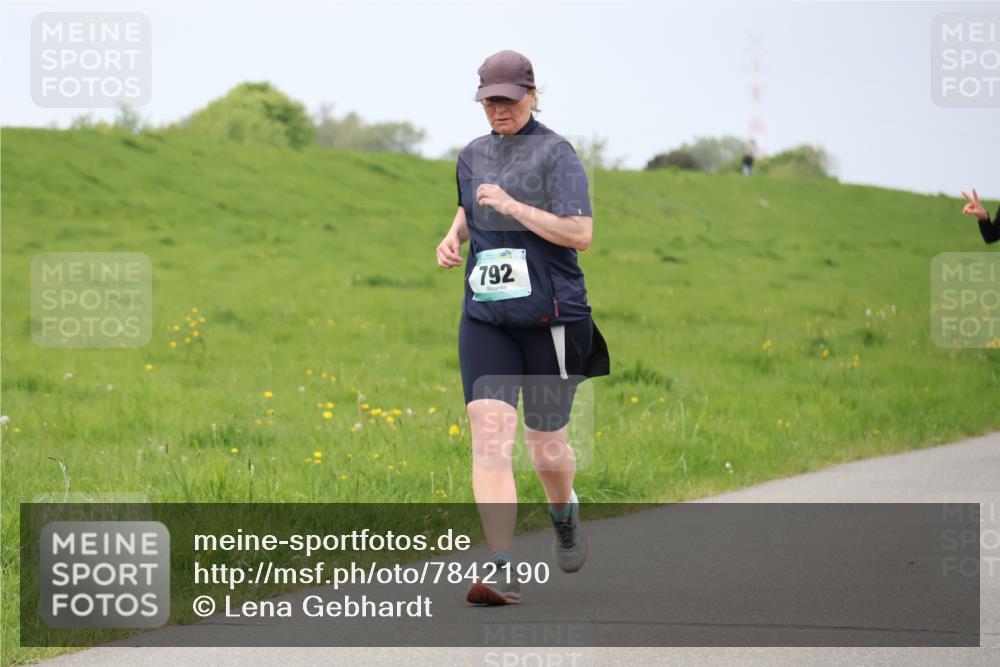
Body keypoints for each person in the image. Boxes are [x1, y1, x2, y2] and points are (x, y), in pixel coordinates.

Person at [435, 49, 610, 605]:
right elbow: (472, 205)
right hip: (487, 316)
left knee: (546, 449)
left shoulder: (557, 156)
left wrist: (515, 207)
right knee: (489, 440)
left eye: (508, 99)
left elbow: (579, 233)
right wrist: (453, 236)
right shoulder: (472, 155)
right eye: (489, 100)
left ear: (532, 95)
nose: (498, 110)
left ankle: (564, 511)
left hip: (552, 319)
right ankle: (502, 566)